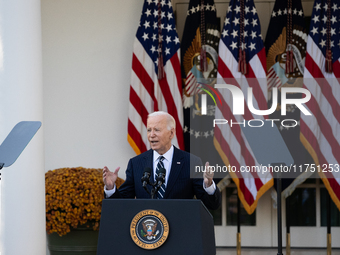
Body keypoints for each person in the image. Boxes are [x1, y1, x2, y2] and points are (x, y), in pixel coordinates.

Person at [103, 111, 221, 210]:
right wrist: (110, 188)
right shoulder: (136, 163)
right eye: (149, 130)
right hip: (147, 231)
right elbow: (120, 205)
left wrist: (208, 185)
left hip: (180, 232)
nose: (151, 135)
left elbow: (211, 205)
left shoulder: (191, 162)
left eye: (157, 130)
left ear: (172, 133)